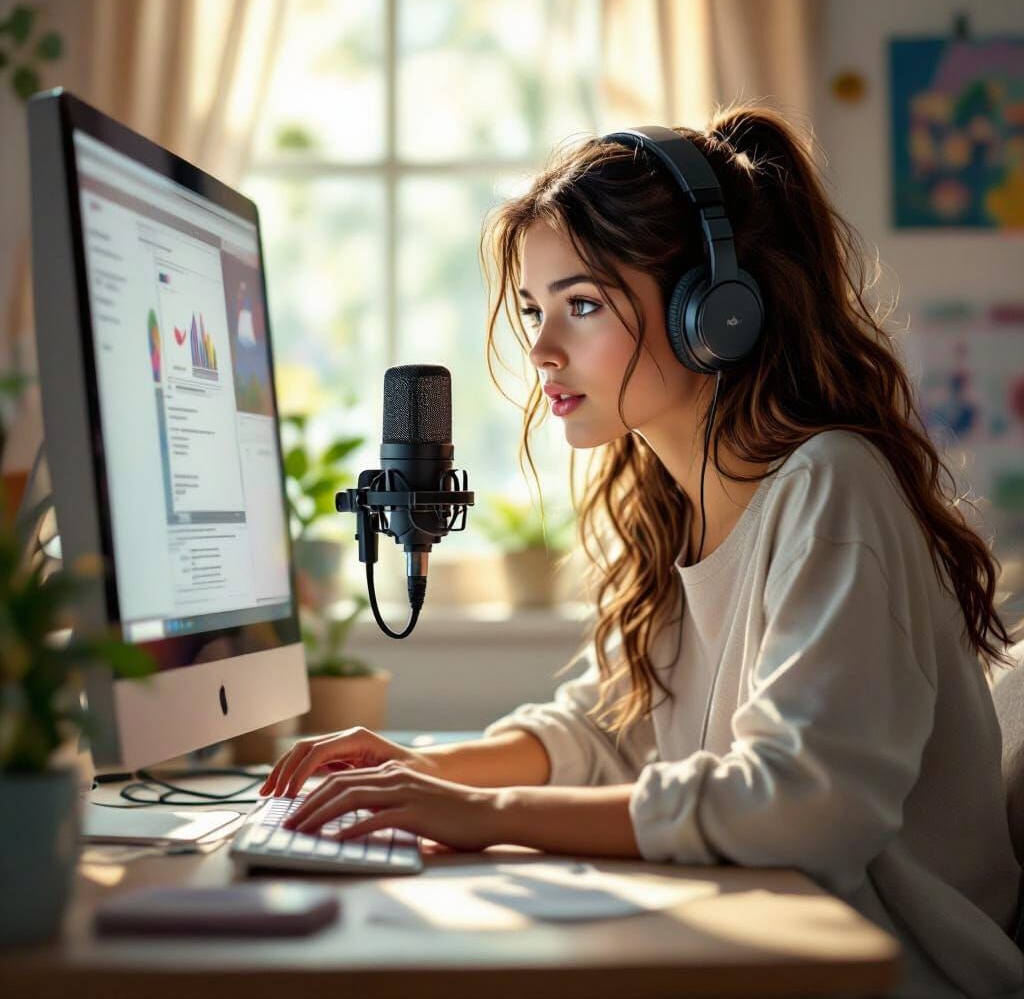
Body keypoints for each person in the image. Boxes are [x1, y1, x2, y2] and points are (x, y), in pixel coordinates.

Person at [261, 104, 1024, 998]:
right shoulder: (675, 502)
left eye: (581, 304)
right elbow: (603, 726)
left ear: (717, 312)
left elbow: (802, 805)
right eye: (532, 309)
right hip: (762, 951)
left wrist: (478, 812)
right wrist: (413, 772)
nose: (542, 349)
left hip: (894, 976)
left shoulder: (831, 487)